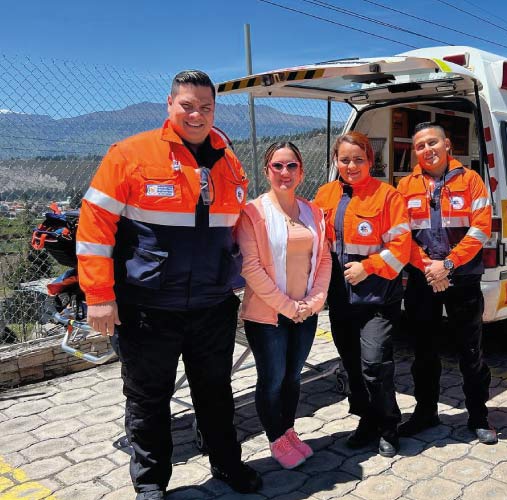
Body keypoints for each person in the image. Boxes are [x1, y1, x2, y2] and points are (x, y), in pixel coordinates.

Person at [76, 70, 262, 499]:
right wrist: (100, 296)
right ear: (170, 105)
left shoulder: (229, 162)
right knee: (148, 400)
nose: (197, 114)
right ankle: (151, 484)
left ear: (215, 109)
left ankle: (227, 465)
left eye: (206, 107)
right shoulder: (129, 154)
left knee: (216, 393)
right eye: (188, 105)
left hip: (213, 306)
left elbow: (238, 231)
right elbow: (94, 229)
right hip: (147, 308)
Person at [395, 122, 497, 444]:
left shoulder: (471, 181)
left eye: (433, 142)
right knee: (423, 352)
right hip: (423, 279)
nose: (427, 149)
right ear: (416, 152)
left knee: (470, 351)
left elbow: (481, 229)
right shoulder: (405, 187)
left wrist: (448, 265)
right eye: (421, 145)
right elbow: (400, 235)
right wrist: (429, 267)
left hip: (463, 278)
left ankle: (478, 417)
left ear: (447, 144)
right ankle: (425, 412)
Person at [314, 131, 411, 457]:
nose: (351, 165)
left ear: (371, 160)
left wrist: (367, 267)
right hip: (341, 300)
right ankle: (366, 420)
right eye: (344, 160)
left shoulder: (388, 197)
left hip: (378, 299)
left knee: (375, 364)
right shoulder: (325, 195)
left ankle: (388, 425)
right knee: (353, 366)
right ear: (336, 162)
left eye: (358, 159)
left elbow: (401, 250)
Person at [237, 142, 331, 469]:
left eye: (291, 166)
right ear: (267, 172)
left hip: (305, 313)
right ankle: (276, 438)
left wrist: (315, 301)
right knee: (272, 379)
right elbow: (251, 268)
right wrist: (289, 307)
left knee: (293, 378)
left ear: (301, 171)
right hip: (267, 316)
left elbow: (323, 260)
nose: (284, 173)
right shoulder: (253, 213)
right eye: (277, 166)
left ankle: (289, 432)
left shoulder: (313, 212)